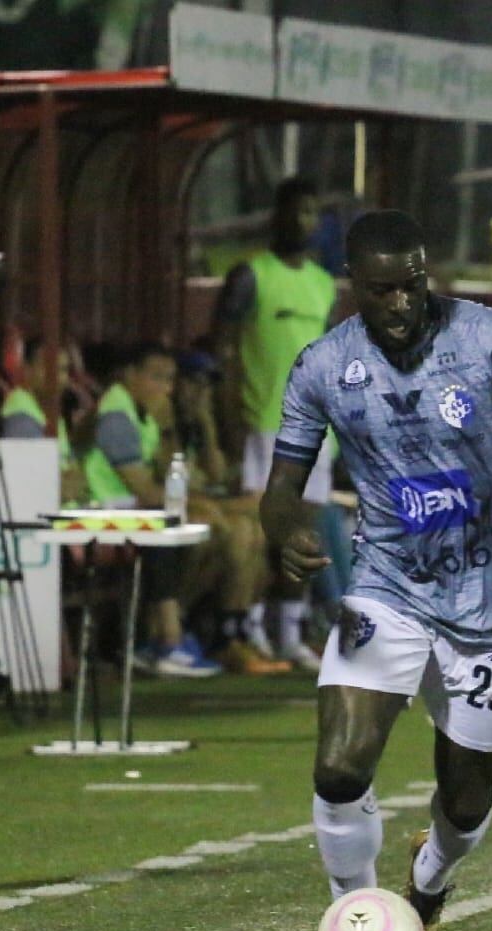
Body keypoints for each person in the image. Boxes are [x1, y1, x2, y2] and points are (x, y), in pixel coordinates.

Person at [261, 210, 492, 931]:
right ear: (354, 286)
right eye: (384, 291)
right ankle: (353, 919)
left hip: (491, 599)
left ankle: (430, 885)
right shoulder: (322, 367)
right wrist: (284, 532)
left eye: (414, 285)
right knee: (340, 768)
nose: (403, 303)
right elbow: (282, 486)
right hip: (386, 587)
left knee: (467, 798)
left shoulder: (491, 340)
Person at [82, 343, 281, 677]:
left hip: (134, 512)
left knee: (240, 527)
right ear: (130, 375)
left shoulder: (148, 413)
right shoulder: (117, 414)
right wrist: (208, 503)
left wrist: (189, 424)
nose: (167, 388)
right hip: (105, 515)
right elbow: (147, 490)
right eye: (158, 378)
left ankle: (194, 630)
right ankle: (166, 636)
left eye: (170, 380)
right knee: (211, 527)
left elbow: (187, 476)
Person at [213, 177, 337, 670]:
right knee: (262, 533)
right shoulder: (250, 276)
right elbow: (223, 350)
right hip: (264, 424)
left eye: (311, 213)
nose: (303, 221)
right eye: (296, 211)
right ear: (276, 217)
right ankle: (250, 630)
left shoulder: (324, 284)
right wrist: (229, 421)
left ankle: (289, 635)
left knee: (303, 535)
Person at [2, 336, 88, 506]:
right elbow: (32, 487)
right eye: (49, 369)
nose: (58, 377)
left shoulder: (50, 411)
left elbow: (77, 481)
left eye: (63, 370)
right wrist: (66, 485)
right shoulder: (21, 416)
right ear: (27, 370)